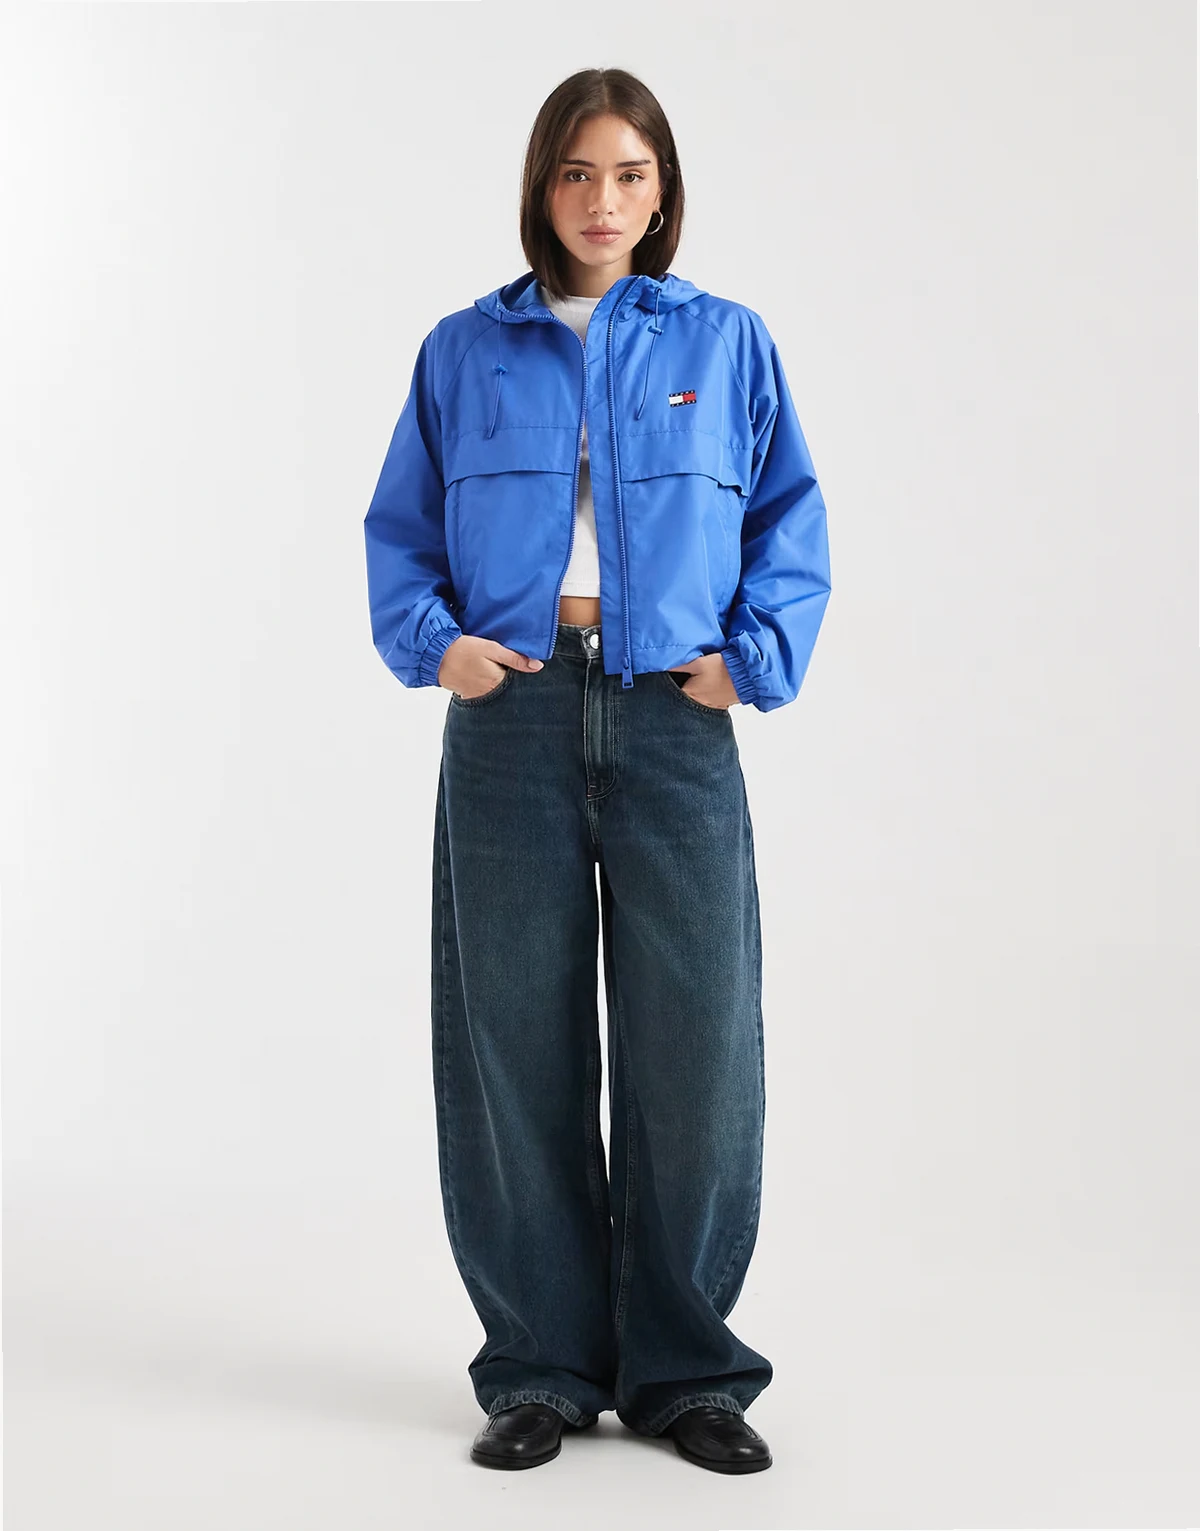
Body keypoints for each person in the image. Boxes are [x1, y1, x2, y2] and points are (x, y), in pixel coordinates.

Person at [363, 67, 831, 1475]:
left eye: (630, 174)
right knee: (512, 1042)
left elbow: (790, 516)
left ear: (663, 190)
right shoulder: (465, 348)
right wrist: (434, 645)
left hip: (673, 718)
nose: (603, 200)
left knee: (698, 1048)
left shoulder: (725, 341)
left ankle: (689, 1370)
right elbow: (400, 527)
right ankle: (541, 1366)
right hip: (509, 715)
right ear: (541, 187)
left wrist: (751, 659)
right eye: (577, 173)